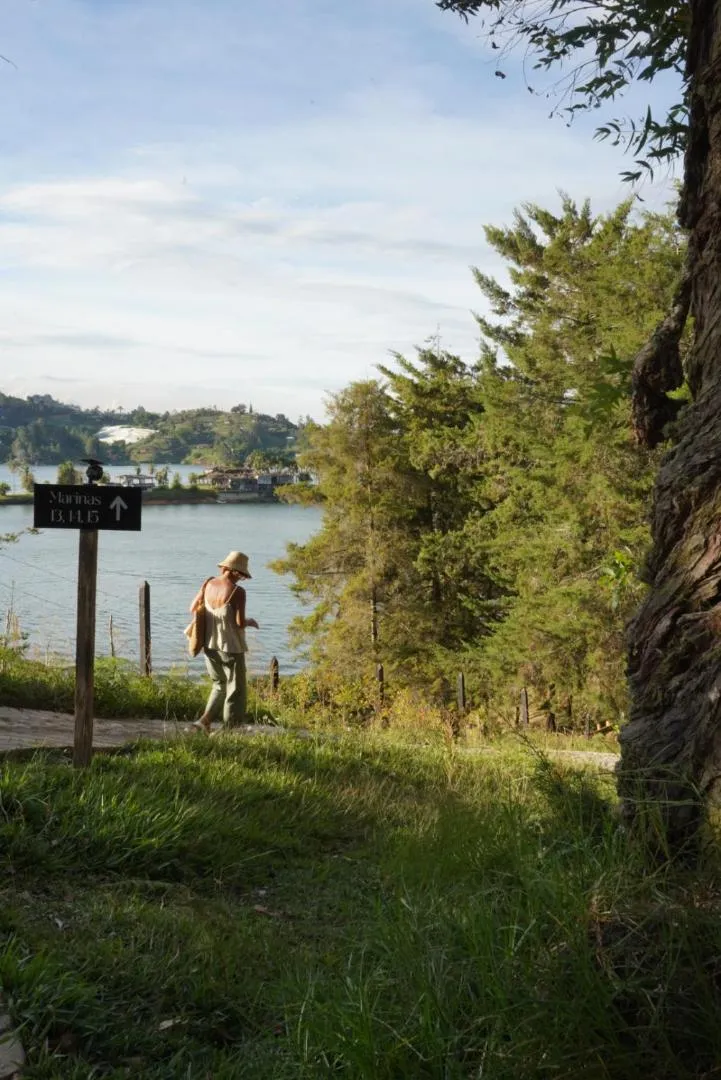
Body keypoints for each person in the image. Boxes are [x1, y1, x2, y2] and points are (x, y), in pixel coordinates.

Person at [189, 551, 259, 734]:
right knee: (236, 688)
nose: (241, 579)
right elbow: (239, 623)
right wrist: (250, 621)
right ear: (236, 571)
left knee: (219, 684)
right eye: (241, 575)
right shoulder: (238, 592)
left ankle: (203, 722)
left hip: (209, 644)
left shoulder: (209, 583)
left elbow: (193, 608)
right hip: (231, 647)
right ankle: (230, 729)